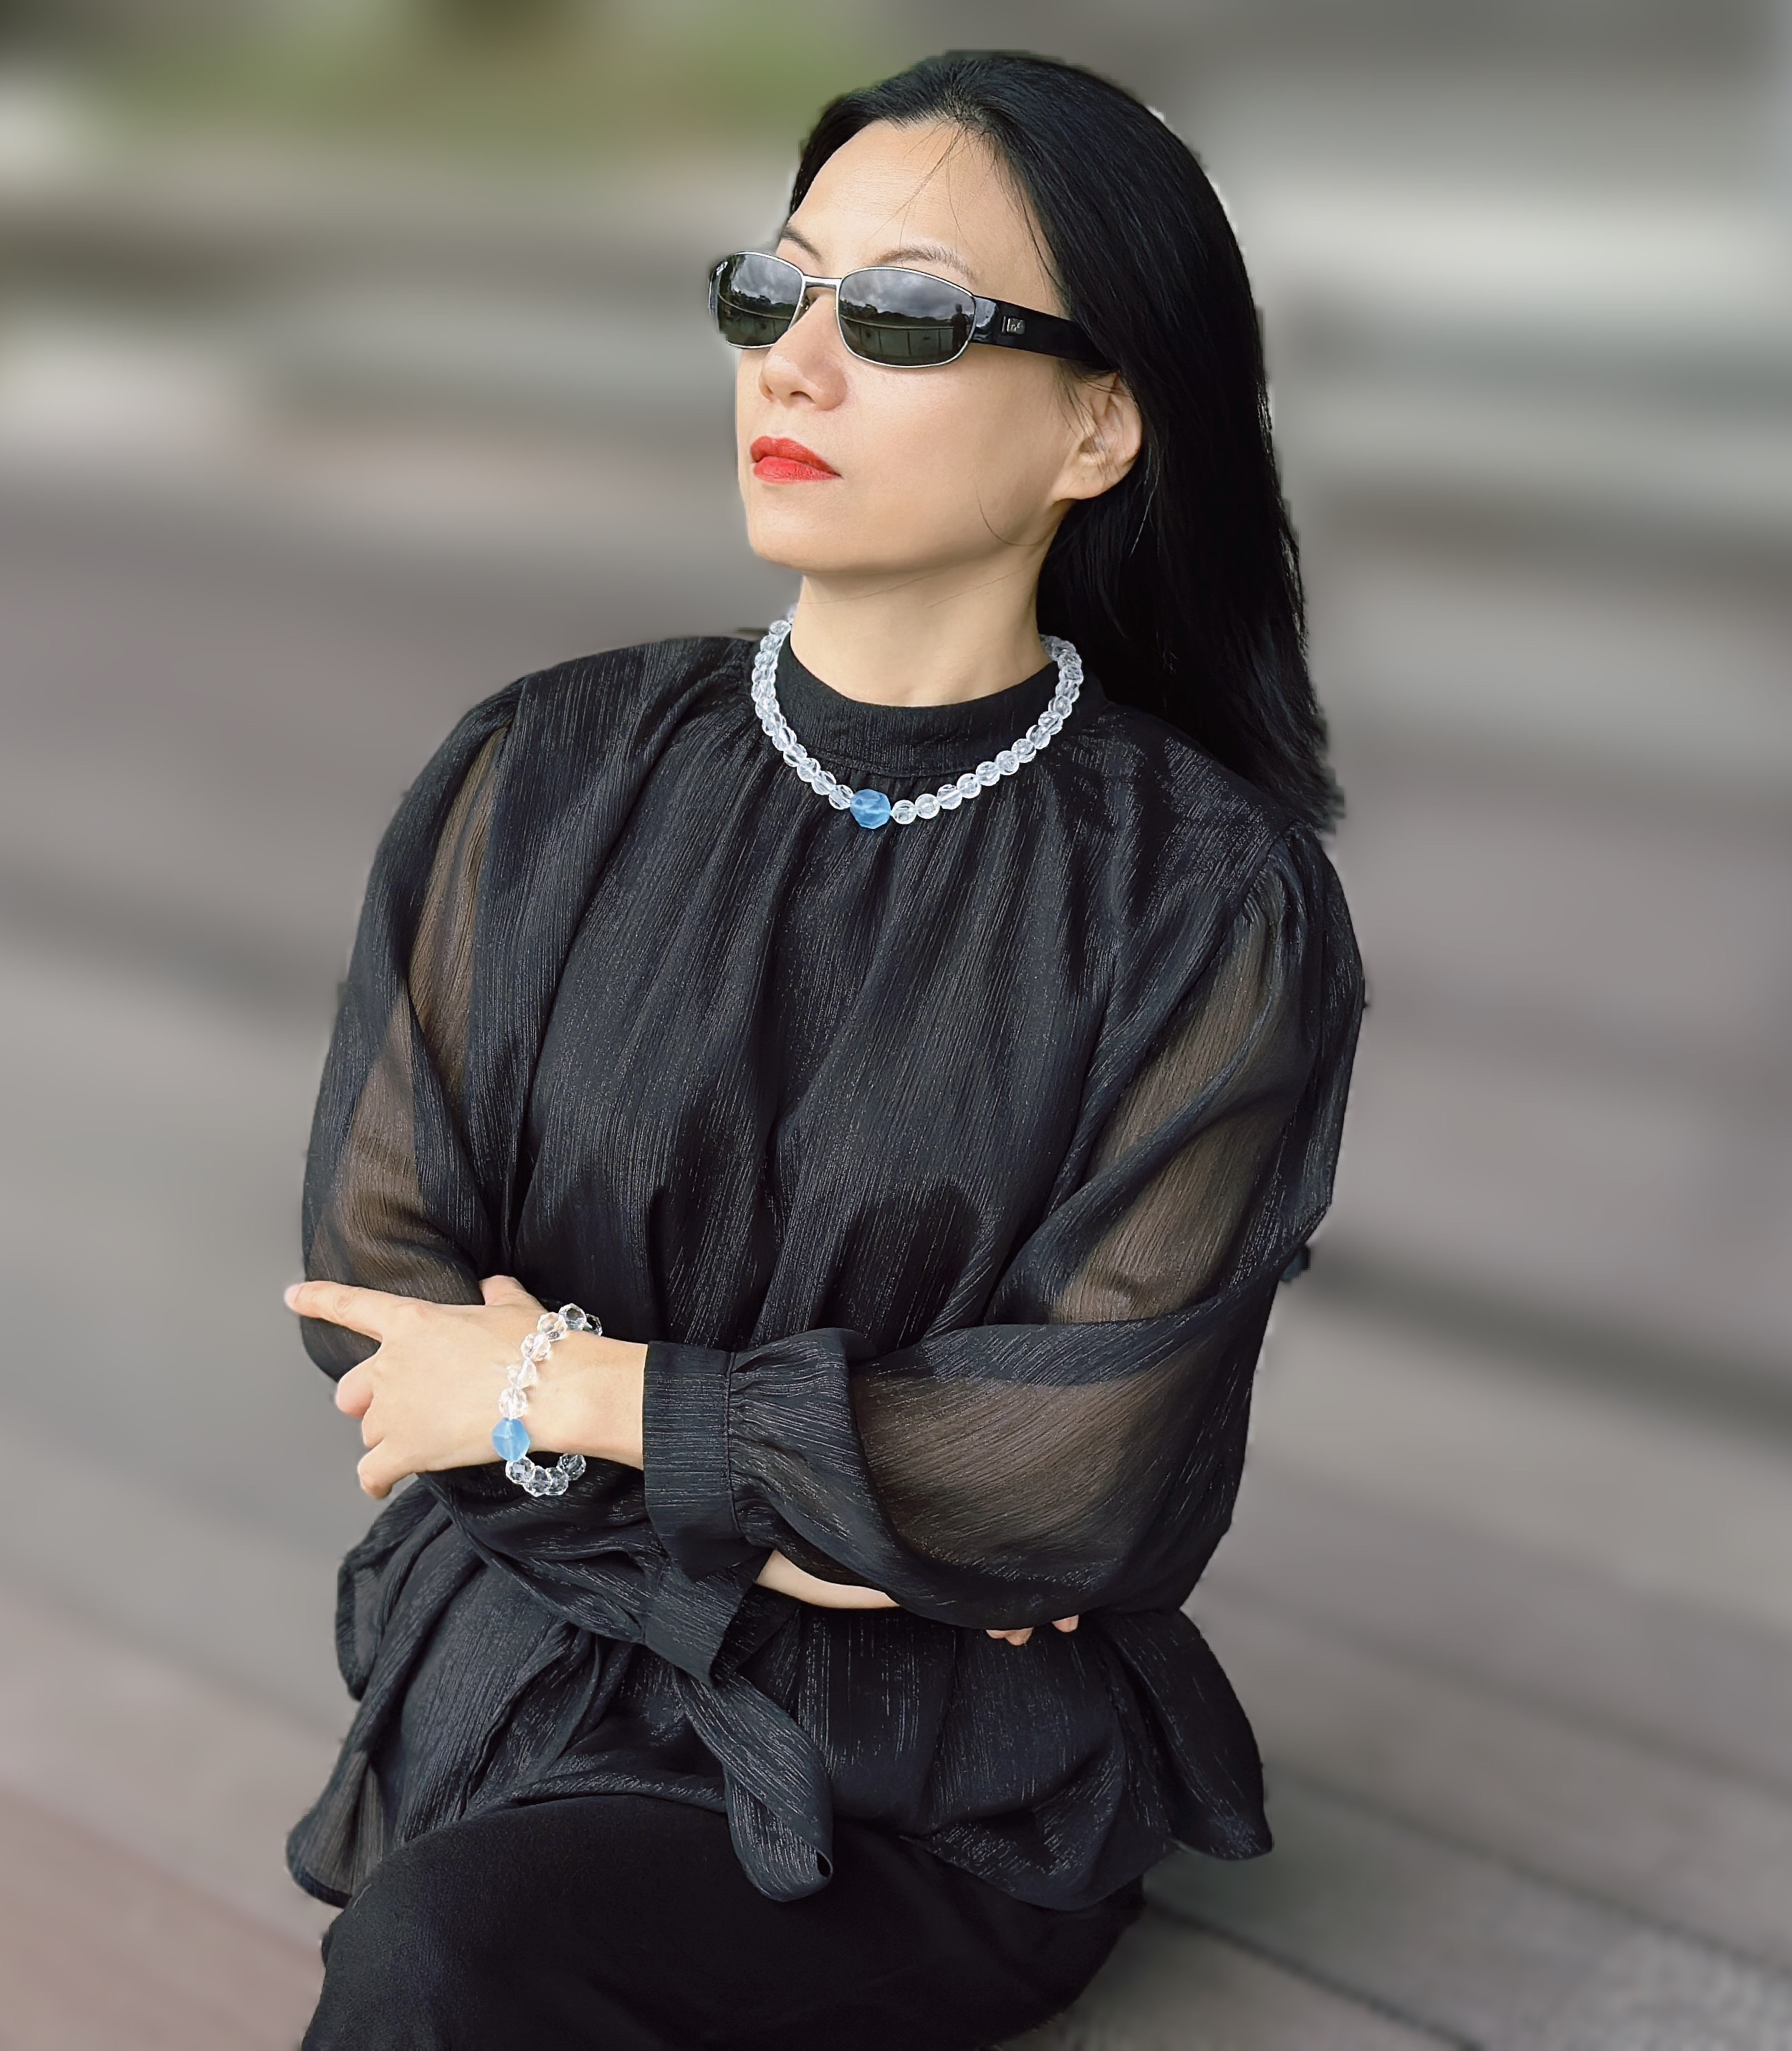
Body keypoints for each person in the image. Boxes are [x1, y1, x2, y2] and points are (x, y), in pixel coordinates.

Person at [282, 47, 1362, 2051]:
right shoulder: (546, 771)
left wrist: (565, 1392)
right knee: (453, 1945)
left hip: (938, 1782)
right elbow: (380, 1299)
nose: (793, 363)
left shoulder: (1205, 901)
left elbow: (1076, 1478)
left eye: (910, 318)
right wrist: (851, 1510)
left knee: (447, 1963)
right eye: (774, 290)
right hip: (531, 1668)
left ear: (1102, 424)